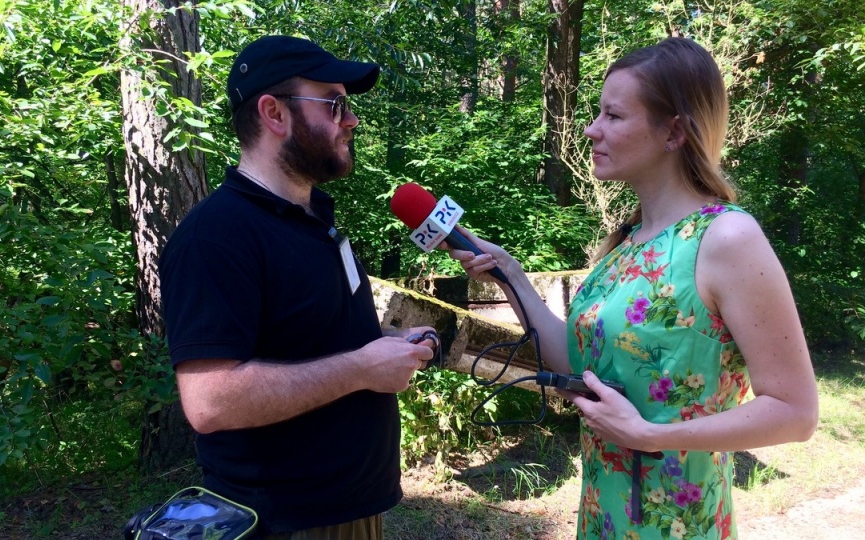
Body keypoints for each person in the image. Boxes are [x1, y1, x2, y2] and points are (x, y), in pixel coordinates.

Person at [445, 37, 818, 539]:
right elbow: (578, 366)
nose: (591, 129)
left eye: (613, 116)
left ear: (674, 132)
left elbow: (795, 412)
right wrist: (509, 274)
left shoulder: (727, 237)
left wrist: (650, 435)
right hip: (604, 516)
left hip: (679, 526)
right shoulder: (624, 243)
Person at [158, 35, 437, 539]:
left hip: (349, 509)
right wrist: (360, 368)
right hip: (281, 521)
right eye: (335, 104)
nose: (350, 120)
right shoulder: (215, 236)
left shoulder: (316, 221)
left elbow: (313, 342)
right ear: (274, 114)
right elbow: (210, 401)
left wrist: (383, 348)